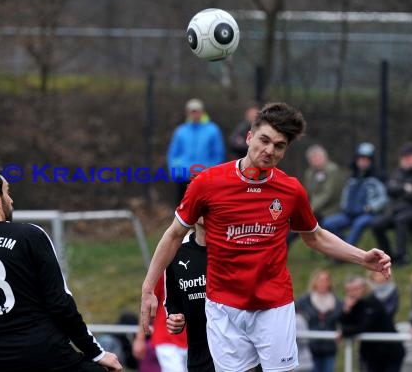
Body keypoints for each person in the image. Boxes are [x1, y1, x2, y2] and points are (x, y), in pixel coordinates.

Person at [141, 102, 392, 372]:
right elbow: (174, 234)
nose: (269, 150)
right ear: (249, 137)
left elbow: (315, 236)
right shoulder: (208, 183)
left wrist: (362, 257)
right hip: (223, 306)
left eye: (279, 145)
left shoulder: (290, 190)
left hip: (273, 305)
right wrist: (148, 289)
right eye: (264, 140)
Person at [0, 166, 122, 372]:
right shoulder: (30, 235)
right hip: (46, 353)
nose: (11, 200)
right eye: (7, 191)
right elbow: (60, 303)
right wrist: (96, 353)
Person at [164, 217, 215, 372]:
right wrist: (174, 318)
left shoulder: (233, 250)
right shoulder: (176, 253)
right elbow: (172, 304)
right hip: (198, 356)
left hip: (236, 352)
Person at [320, 142, 388, 247]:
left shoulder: (377, 178)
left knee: (358, 224)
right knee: (328, 223)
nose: (363, 162)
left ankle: (344, 253)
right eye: (360, 159)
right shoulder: (352, 178)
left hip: (367, 215)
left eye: (366, 160)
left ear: (371, 161)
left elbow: (383, 198)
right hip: (348, 214)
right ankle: (344, 248)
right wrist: (344, 206)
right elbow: (345, 195)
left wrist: (372, 207)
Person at [339, 276, 405, 372]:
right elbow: (345, 322)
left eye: (356, 289)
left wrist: (344, 332)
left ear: (364, 288)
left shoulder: (372, 303)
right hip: (372, 354)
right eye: (349, 290)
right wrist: (346, 310)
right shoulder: (355, 304)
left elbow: (364, 326)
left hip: (390, 353)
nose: (353, 293)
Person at [372, 144, 412, 265]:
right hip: (397, 210)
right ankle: (387, 256)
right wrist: (405, 188)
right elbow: (389, 189)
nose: (407, 160)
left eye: (410, 157)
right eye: (404, 158)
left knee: (401, 220)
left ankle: (401, 258)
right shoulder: (399, 172)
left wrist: (399, 190)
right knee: (377, 224)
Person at [167, 98, 225, 205]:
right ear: (187, 112)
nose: (194, 114)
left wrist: (210, 171)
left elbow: (218, 154)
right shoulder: (180, 131)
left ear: (202, 112)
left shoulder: (213, 130)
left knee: (202, 209)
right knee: (181, 209)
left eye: (197, 111)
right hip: (183, 177)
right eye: (192, 111)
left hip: (204, 178)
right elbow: (173, 154)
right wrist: (175, 171)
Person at [288, 144, 345, 246]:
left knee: (306, 221)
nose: (316, 160)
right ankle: (283, 247)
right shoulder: (309, 173)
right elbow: (308, 193)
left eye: (318, 157)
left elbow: (329, 194)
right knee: (296, 221)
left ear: (325, 157)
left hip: (331, 209)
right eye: (312, 158)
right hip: (316, 209)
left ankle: (342, 248)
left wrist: (311, 208)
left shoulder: (332, 170)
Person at [295, 269, 342, 372]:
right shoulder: (304, 302)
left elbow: (343, 320)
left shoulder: (338, 303)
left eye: (325, 280)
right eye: (320, 280)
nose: (323, 283)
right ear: (314, 282)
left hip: (329, 348)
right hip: (310, 349)